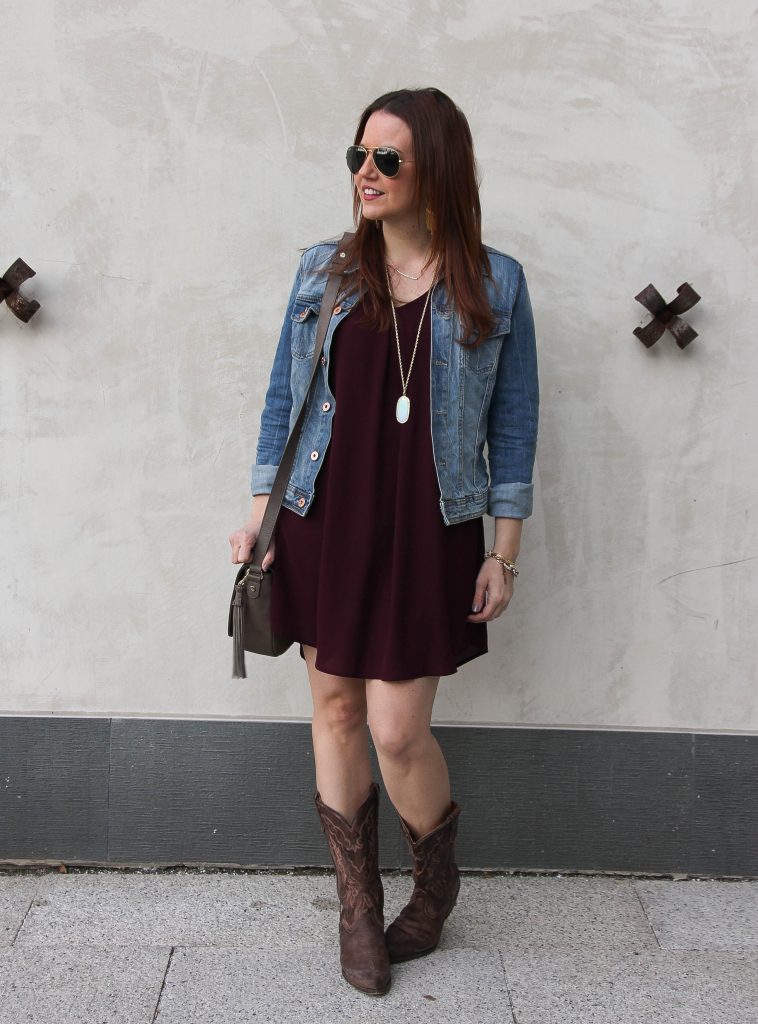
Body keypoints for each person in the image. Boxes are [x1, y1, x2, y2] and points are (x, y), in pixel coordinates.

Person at [229, 86, 539, 997]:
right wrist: (261, 512)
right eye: (359, 156)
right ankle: (358, 909)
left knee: (399, 731)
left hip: (430, 527)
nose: (365, 173)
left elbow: (513, 429)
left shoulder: (496, 279)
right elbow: (283, 402)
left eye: (387, 160)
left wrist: (503, 549)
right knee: (333, 712)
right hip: (325, 515)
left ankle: (434, 888)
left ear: (434, 168)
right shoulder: (324, 270)